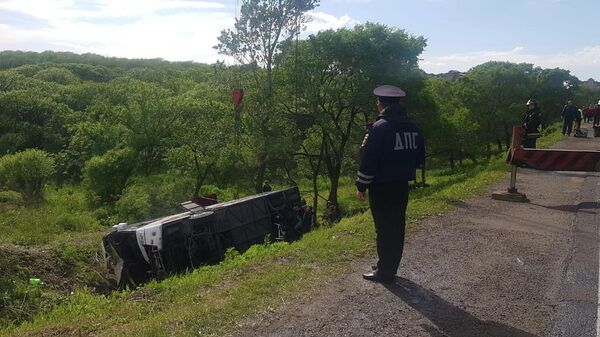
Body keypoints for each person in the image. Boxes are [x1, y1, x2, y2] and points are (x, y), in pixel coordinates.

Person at [356, 85, 425, 283]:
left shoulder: (380, 128)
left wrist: (361, 186)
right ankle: (388, 265)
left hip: (382, 187)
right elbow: (419, 158)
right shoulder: (413, 127)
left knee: (384, 229)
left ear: (381, 104)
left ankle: (384, 272)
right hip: (401, 185)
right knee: (397, 226)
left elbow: (368, 161)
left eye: (378, 102)